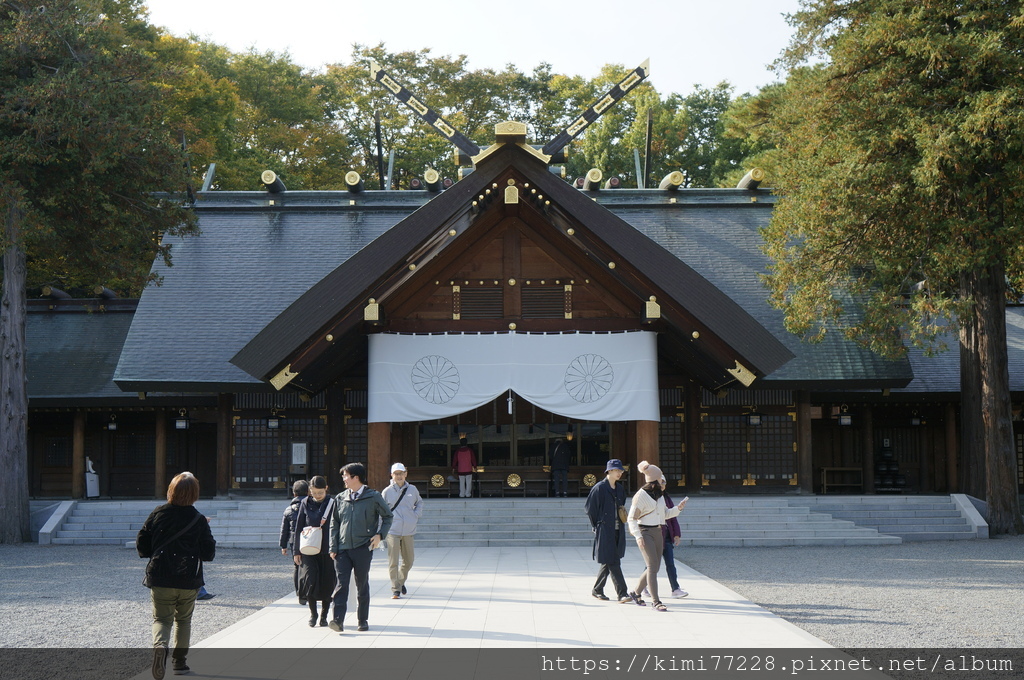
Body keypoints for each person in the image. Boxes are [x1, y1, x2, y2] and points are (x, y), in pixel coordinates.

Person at [137, 471, 216, 679]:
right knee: (183, 620)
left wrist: (151, 552)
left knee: (161, 619)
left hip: (161, 575)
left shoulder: (159, 513)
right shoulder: (198, 519)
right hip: (188, 577)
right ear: (194, 494)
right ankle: (179, 663)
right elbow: (208, 553)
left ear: (171, 490)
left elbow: (142, 542)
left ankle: (160, 645)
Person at [328, 462, 393, 633]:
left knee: (361, 583)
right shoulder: (340, 498)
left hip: (363, 547)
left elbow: (388, 516)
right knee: (341, 584)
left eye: (346, 476)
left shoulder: (373, 497)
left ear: (355, 477)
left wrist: (380, 535)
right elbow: (334, 523)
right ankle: (337, 620)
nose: (343, 479)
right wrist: (333, 546)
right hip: (342, 548)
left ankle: (362, 619)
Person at [626, 461, 684, 612]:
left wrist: (678, 509)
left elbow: (665, 514)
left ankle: (635, 593)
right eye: (661, 479)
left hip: (659, 531)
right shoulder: (641, 496)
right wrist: (638, 536)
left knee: (655, 567)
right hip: (645, 532)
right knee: (652, 566)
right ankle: (656, 601)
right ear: (655, 480)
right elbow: (631, 518)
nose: (663, 482)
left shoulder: (660, 496)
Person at [292, 476, 336, 628]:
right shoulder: (305, 503)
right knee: (309, 581)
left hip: (327, 549)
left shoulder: (333, 503)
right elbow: (298, 527)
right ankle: (313, 614)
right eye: (314, 492)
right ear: (309, 491)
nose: (317, 496)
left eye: (320, 492)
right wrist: (296, 551)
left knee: (327, 583)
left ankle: (324, 615)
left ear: (326, 489)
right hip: (308, 548)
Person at [584, 459, 629, 603]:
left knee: (608, 560)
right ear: (609, 471)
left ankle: (597, 589)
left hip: (618, 529)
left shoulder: (620, 489)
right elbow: (590, 509)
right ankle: (622, 593)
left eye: (621, 471)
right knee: (614, 561)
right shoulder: (599, 488)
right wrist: (596, 524)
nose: (619, 473)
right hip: (604, 529)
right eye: (617, 470)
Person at [381, 462, 423, 599]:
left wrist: (415, 515)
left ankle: (400, 581)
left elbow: (420, 502)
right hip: (393, 530)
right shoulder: (387, 492)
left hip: (408, 530)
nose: (399, 476)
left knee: (409, 560)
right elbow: (381, 510)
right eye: (396, 473)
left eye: (401, 473)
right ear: (391, 475)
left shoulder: (412, 489)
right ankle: (395, 589)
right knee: (393, 561)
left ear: (406, 474)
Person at [642, 476, 689, 600]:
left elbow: (671, 517)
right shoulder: (649, 497)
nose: (662, 484)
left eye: (664, 482)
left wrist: (676, 534)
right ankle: (643, 587)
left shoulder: (666, 498)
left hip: (666, 536)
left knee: (670, 564)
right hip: (654, 535)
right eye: (660, 482)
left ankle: (675, 588)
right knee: (651, 565)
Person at [281, 479, 309, 605]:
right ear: (308, 492)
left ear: (294, 494)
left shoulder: (288, 509)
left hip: (294, 541)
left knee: (297, 566)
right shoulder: (310, 506)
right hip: (309, 539)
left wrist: (283, 545)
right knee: (309, 566)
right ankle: (308, 591)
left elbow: (284, 530)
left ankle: (299, 592)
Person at [452, 433, 476, 498]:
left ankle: (462, 494)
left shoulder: (458, 451)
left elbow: (455, 460)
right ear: (466, 443)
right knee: (468, 482)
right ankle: (468, 494)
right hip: (468, 468)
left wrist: (453, 467)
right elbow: (473, 459)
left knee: (461, 483)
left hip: (461, 469)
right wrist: (475, 466)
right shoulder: (470, 450)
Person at [549, 433, 572, 497]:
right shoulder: (565, 446)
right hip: (564, 465)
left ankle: (557, 493)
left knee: (556, 479)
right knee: (565, 479)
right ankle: (565, 492)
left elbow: (550, 456)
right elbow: (568, 455)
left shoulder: (552, 446)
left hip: (556, 465)